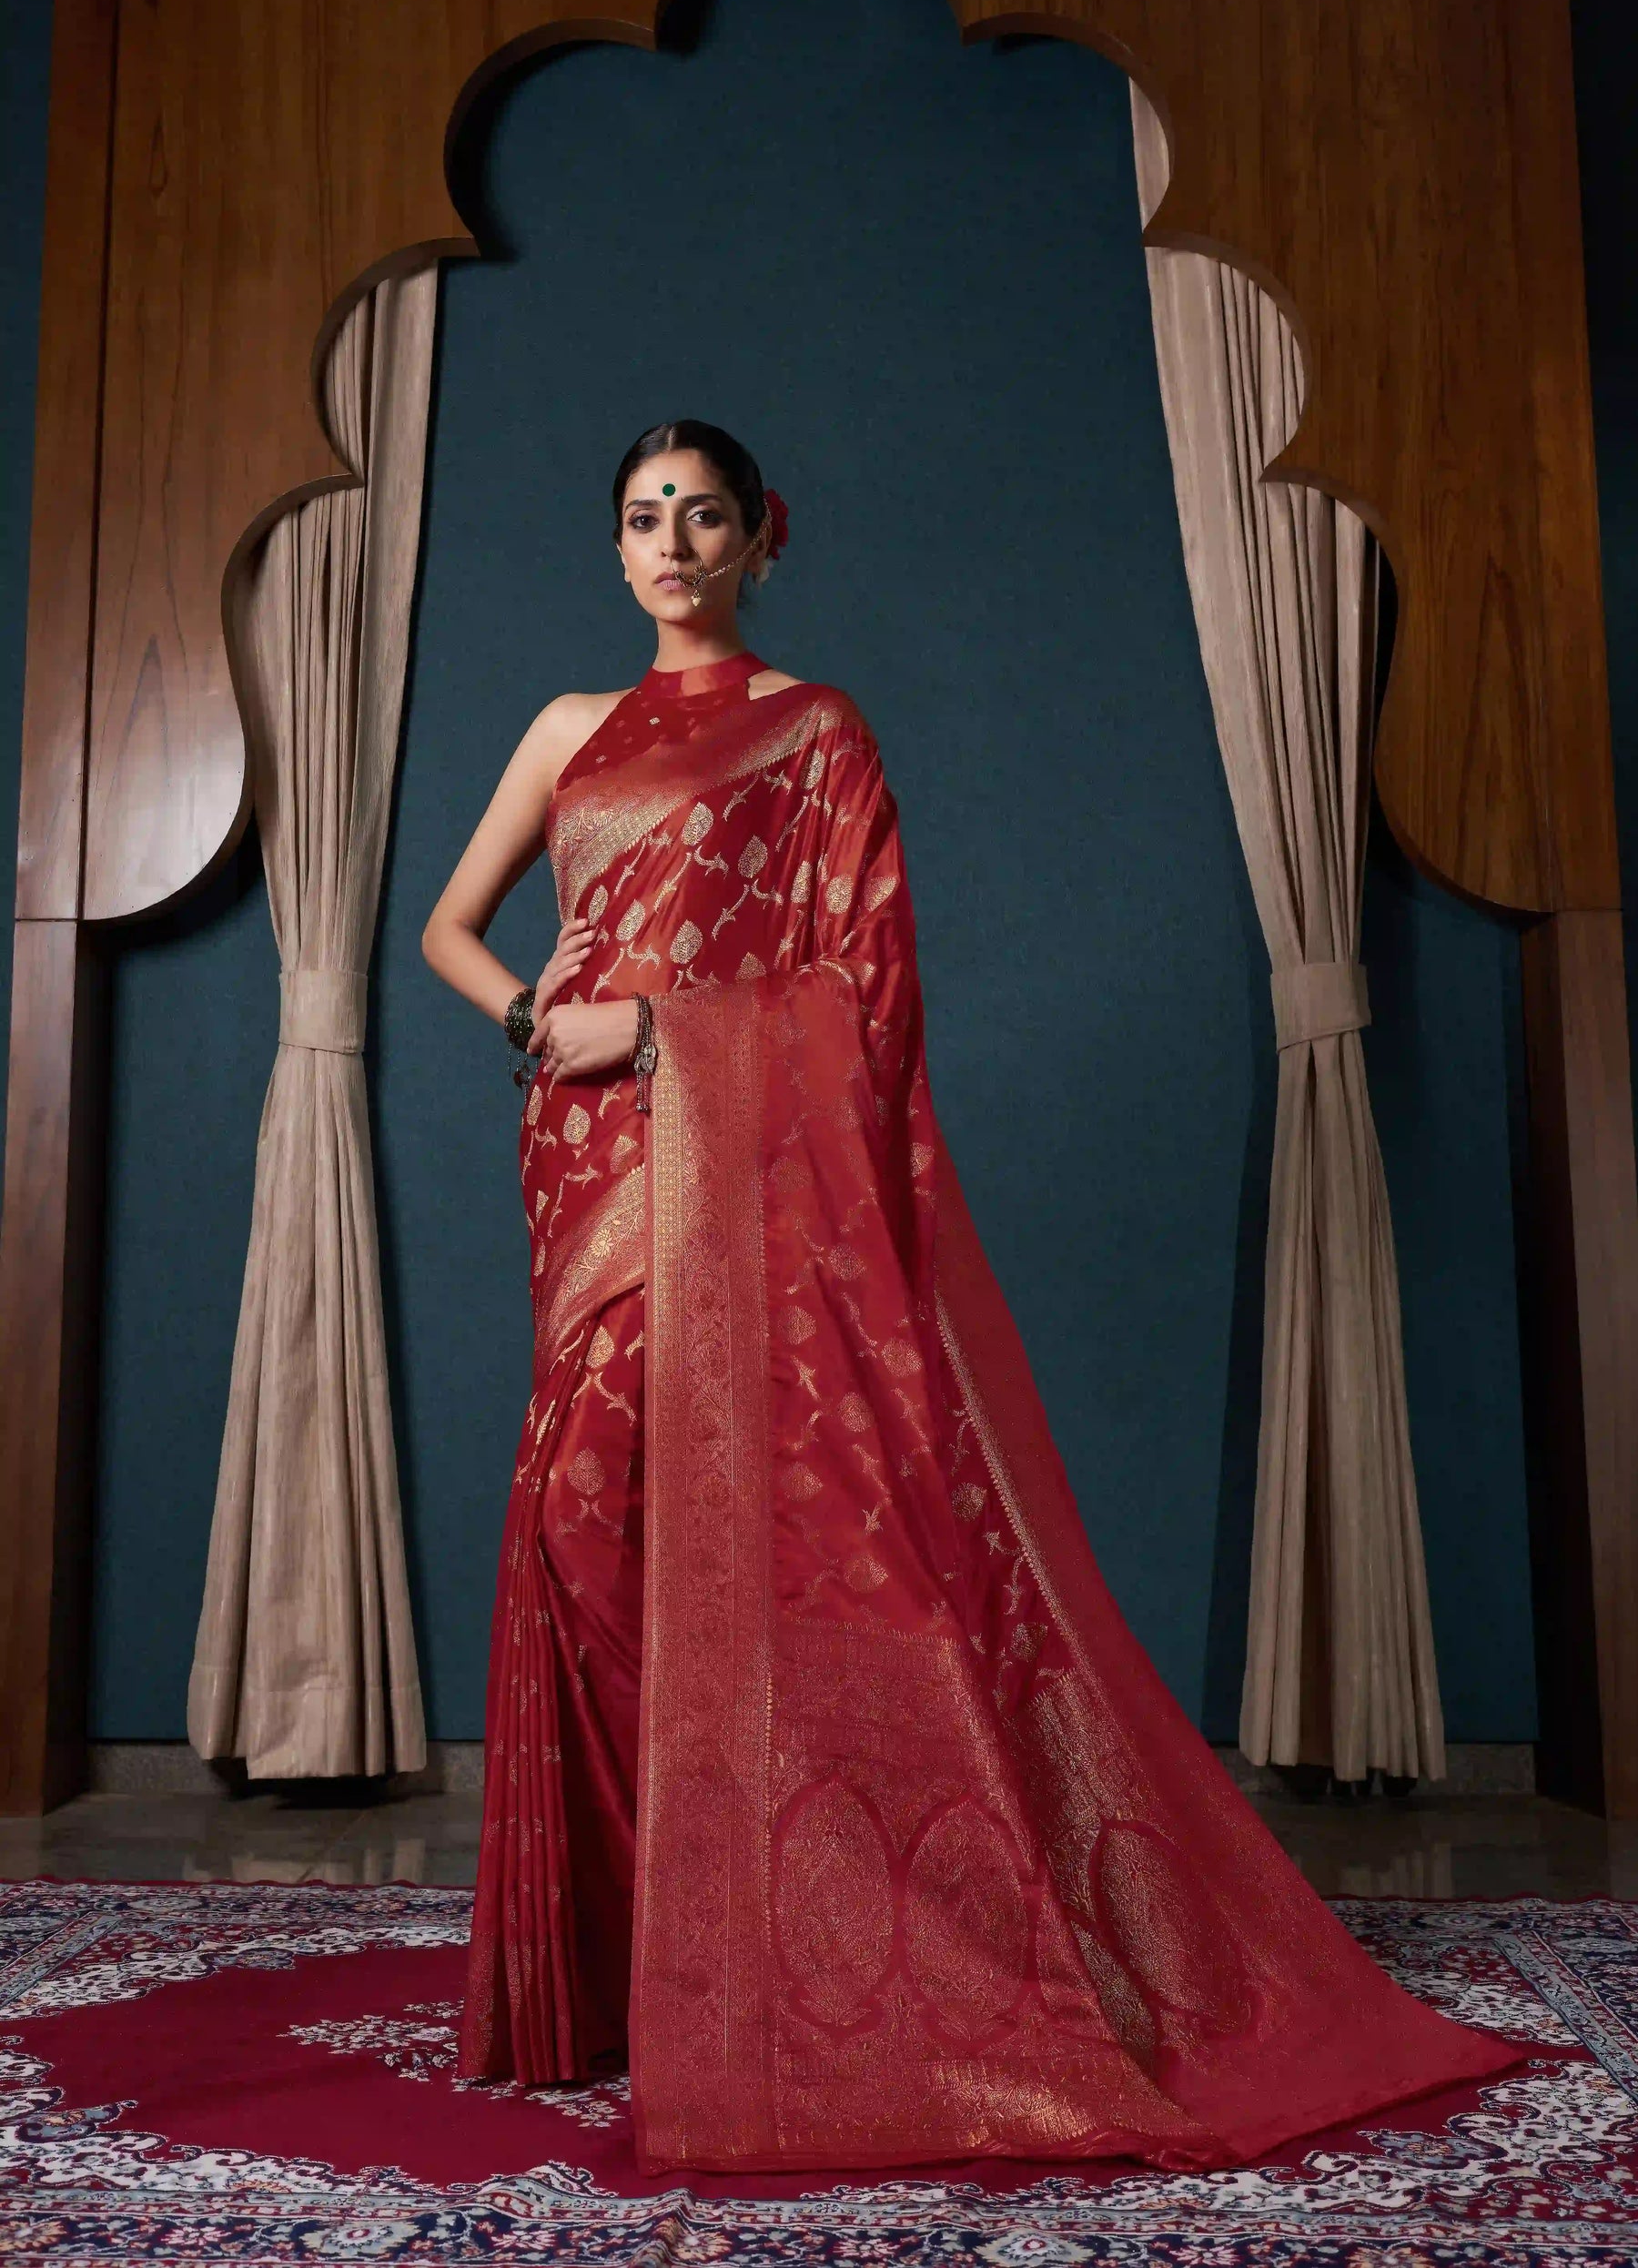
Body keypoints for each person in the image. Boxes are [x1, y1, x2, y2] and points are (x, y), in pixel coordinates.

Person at [421, 418, 1527, 2174]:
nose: (673, 546)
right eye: (643, 518)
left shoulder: (817, 732)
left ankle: (762, 1945)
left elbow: (863, 998)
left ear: (762, 537)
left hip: (729, 1161)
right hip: (587, 1169)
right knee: (580, 1526)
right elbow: (449, 926)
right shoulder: (569, 728)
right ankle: (639, 1956)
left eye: (703, 516)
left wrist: (659, 1031)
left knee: (729, 1531)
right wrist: (530, 1019)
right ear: (612, 547)